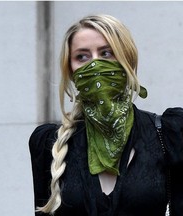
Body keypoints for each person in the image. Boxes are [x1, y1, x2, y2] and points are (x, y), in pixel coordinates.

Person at [28, 14, 183, 216]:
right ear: (71, 70)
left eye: (106, 53)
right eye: (82, 56)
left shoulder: (169, 133)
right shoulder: (49, 143)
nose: (95, 65)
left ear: (127, 58)